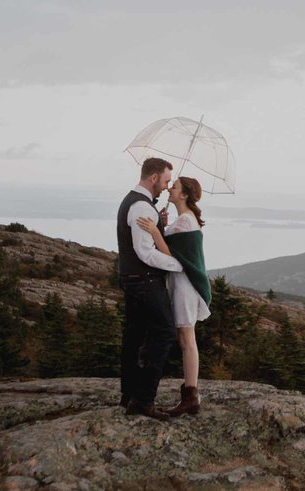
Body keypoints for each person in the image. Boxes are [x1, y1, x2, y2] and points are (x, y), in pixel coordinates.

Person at [137, 176, 211, 416]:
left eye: (174, 186)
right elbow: (174, 244)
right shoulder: (184, 220)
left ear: (184, 195)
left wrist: (154, 230)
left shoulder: (185, 222)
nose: (170, 188)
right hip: (183, 285)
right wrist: (163, 226)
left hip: (185, 286)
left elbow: (172, 255)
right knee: (185, 338)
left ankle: (191, 396)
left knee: (187, 339)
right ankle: (190, 395)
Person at [117, 157, 183, 421]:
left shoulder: (134, 202)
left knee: (134, 336)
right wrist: (177, 264)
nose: (167, 187)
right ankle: (143, 400)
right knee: (165, 332)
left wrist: (160, 226)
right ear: (154, 178)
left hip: (132, 278)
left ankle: (129, 395)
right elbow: (145, 252)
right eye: (166, 180)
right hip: (145, 279)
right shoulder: (142, 208)